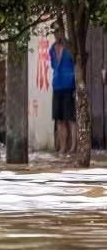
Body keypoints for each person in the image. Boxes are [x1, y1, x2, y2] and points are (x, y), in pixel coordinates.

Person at [50, 27, 77, 157]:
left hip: (69, 85)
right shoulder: (52, 49)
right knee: (59, 119)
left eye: (58, 31)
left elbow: (76, 62)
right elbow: (53, 66)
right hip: (57, 86)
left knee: (71, 118)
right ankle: (62, 147)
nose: (56, 34)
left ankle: (73, 147)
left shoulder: (69, 47)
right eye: (55, 32)